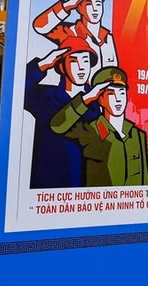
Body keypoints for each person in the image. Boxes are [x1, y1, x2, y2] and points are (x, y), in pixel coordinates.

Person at [51, 67, 148, 187]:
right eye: (111, 94)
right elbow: (57, 126)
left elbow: (145, 182)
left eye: (122, 93)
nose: (118, 99)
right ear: (99, 99)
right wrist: (87, 98)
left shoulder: (137, 135)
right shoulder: (89, 130)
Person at [25, 37, 100, 188]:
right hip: (50, 185)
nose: (81, 67)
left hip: (88, 188)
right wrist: (42, 65)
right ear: (61, 66)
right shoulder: (45, 96)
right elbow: (14, 89)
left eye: (85, 60)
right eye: (73, 61)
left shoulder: (99, 100)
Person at [33, 0, 118, 80]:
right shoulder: (68, 31)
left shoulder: (108, 38)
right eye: (88, 4)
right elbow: (40, 26)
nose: (95, 9)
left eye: (98, 4)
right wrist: (67, 5)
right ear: (78, 7)